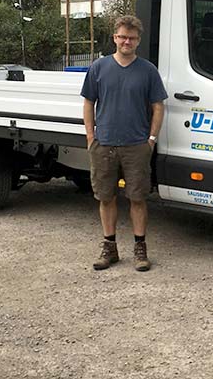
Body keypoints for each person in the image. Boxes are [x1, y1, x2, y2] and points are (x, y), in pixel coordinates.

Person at [81, 15, 168, 272]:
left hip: (136, 146)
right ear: (114, 38)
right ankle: (110, 248)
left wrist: (151, 139)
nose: (126, 41)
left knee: (138, 198)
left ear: (138, 41)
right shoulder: (99, 67)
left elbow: (158, 106)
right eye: (122, 37)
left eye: (131, 38)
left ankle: (140, 249)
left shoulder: (148, 71)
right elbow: (88, 102)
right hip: (104, 144)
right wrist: (90, 135)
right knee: (106, 198)